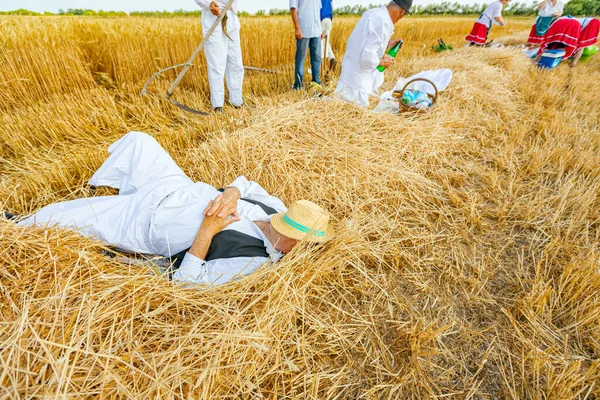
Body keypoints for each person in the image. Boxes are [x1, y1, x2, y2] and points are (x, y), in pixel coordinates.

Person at [11, 131, 335, 286]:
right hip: (174, 186)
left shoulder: (253, 260)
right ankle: (116, 186)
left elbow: (187, 281)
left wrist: (207, 229)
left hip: (146, 222)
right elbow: (244, 183)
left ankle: (17, 224)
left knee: (63, 216)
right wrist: (233, 194)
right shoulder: (274, 206)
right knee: (139, 142)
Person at [335, 1, 411, 107]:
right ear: (400, 12)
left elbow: (364, 42)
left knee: (340, 105)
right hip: (357, 83)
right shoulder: (383, 22)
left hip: (349, 72)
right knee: (353, 112)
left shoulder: (373, 13)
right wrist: (382, 62)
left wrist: (387, 44)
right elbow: (367, 58)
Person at [194, 0, 245, 113]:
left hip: (231, 17)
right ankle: (217, 105)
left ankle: (237, 101)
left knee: (236, 63)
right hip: (213, 18)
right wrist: (209, 3)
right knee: (217, 65)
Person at [534, 16, 599, 67]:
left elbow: (546, 40)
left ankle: (537, 61)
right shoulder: (579, 21)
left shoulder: (557, 21)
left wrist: (537, 46)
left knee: (549, 44)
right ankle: (559, 62)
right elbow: (579, 46)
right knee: (564, 45)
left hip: (564, 24)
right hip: (576, 25)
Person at [290, 0, 323, 90]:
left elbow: (318, 11)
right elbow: (293, 9)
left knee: (317, 58)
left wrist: (320, 29)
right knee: (300, 58)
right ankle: (298, 85)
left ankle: (316, 82)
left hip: (316, 30)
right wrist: (297, 28)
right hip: (303, 30)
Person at [320, 0, 337, 72]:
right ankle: (332, 58)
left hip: (321, 19)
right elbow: (332, 6)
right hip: (329, 19)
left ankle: (321, 69)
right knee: (325, 42)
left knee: (319, 43)